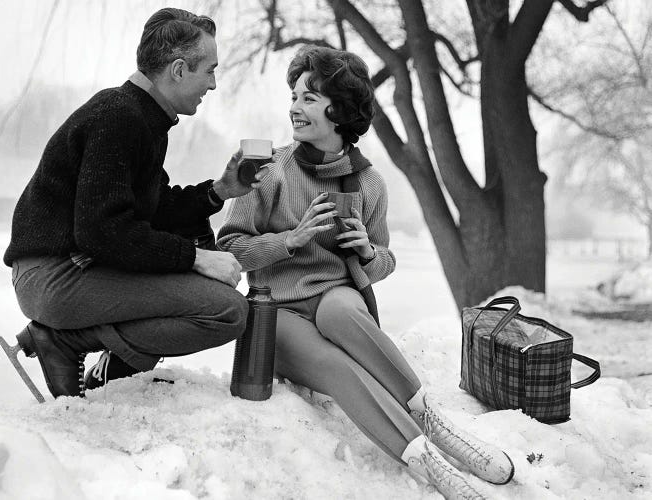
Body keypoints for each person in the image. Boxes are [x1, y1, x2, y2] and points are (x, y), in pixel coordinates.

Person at [217, 45, 514, 499]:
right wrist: (290, 240)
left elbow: (385, 258)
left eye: (309, 98)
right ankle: (429, 464)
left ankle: (437, 424)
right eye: (293, 96)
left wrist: (366, 252)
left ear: (340, 110)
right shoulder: (269, 170)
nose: (295, 107)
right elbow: (231, 248)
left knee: (340, 313)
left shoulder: (369, 182)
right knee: (340, 367)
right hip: (275, 312)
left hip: (336, 298)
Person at [1, 8, 263, 400]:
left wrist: (220, 190)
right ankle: (63, 340)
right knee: (226, 310)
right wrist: (196, 259)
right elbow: (102, 230)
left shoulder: (141, 117)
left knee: (216, 295)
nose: (212, 84)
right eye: (209, 70)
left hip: (74, 272)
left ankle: (97, 365)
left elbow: (153, 211)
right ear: (178, 69)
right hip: (53, 277)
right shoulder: (119, 117)